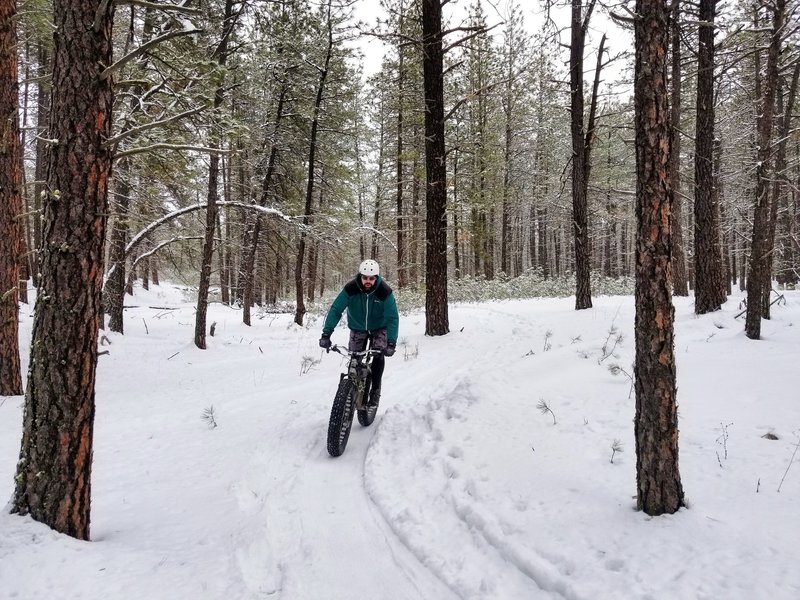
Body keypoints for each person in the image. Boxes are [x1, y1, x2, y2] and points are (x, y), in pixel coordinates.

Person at [319, 259, 399, 406]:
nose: (368, 281)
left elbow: (392, 318)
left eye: (371, 278)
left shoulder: (384, 291)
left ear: (376, 278)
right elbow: (336, 310)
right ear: (360, 276)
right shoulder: (350, 289)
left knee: (378, 355)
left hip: (379, 327)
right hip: (357, 327)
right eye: (365, 278)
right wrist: (326, 334)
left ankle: (375, 390)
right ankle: (348, 392)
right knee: (355, 359)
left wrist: (391, 342)